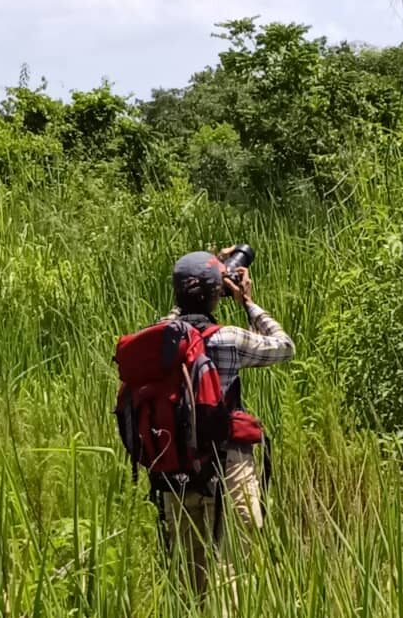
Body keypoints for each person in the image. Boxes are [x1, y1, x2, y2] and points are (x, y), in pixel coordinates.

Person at [162, 247, 295, 610]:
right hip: (227, 467)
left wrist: (203, 283)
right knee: (233, 574)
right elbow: (284, 347)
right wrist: (248, 301)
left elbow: (177, 314)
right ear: (215, 293)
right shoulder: (228, 339)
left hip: (174, 472)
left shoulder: (159, 338)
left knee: (189, 582)